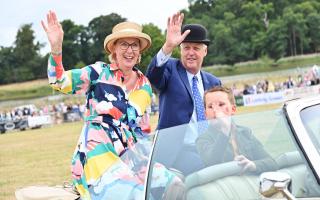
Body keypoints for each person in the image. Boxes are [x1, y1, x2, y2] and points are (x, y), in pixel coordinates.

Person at [41, 11, 158, 199]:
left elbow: (141, 128)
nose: (130, 50)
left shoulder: (144, 85)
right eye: (124, 44)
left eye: (134, 45)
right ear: (113, 50)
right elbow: (59, 81)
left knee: (171, 184)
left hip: (132, 154)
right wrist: (56, 48)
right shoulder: (98, 73)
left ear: (140, 52)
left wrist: (150, 158)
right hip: (98, 151)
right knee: (134, 194)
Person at [146, 12, 221, 130]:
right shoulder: (170, 68)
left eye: (196, 48)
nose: (191, 53)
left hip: (207, 145)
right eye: (186, 48)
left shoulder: (214, 82)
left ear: (205, 51)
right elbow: (153, 76)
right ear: (180, 50)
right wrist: (168, 46)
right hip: (175, 146)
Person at [196, 86, 278, 174]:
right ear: (205, 114)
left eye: (221, 105)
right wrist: (224, 130)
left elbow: (272, 163)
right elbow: (212, 162)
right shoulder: (203, 139)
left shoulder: (245, 132)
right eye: (210, 106)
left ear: (233, 109)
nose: (216, 110)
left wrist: (254, 165)